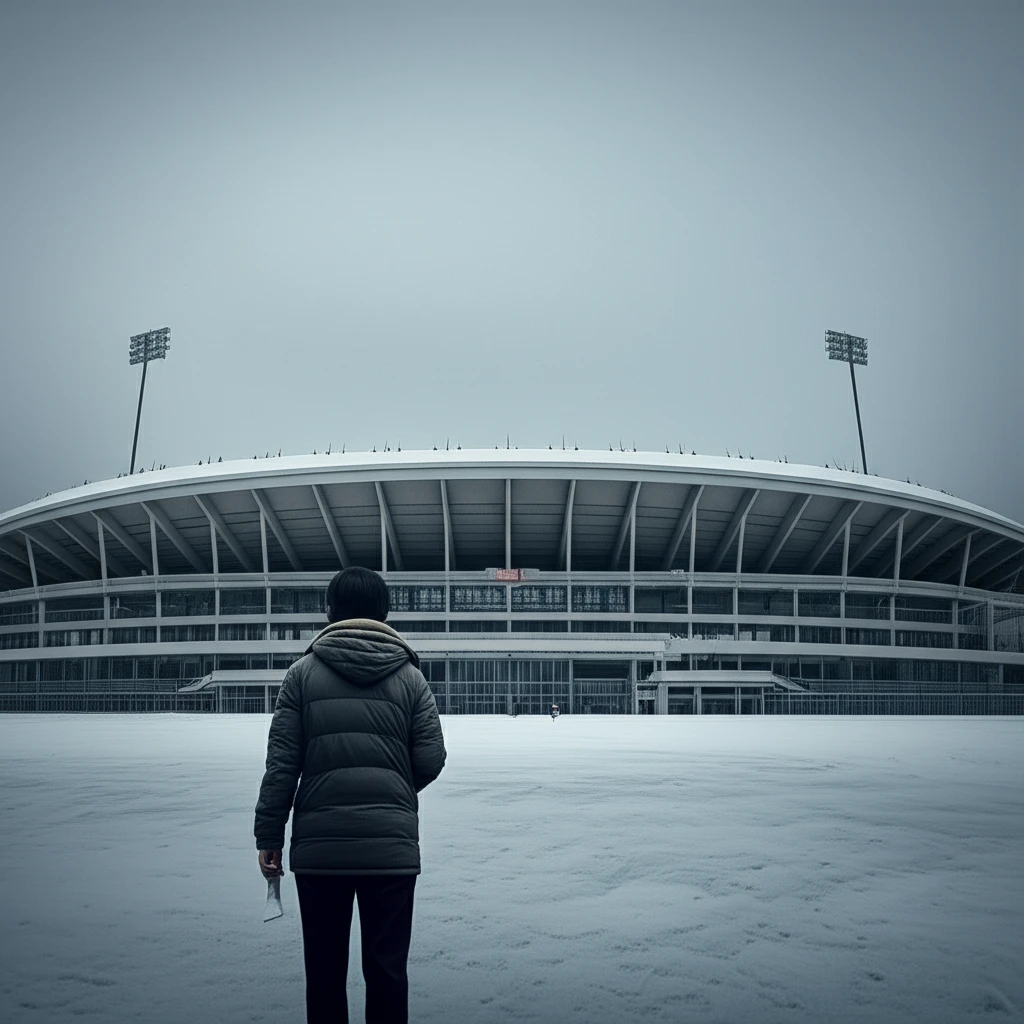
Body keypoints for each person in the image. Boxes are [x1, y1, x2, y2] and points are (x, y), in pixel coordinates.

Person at [254, 566, 447, 1024]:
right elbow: (432, 756)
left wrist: (269, 835)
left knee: (323, 975)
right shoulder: (411, 678)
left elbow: (282, 765)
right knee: (387, 974)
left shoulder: (301, 675)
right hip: (391, 848)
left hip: (321, 849)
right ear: (385, 612)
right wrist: (394, 789)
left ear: (329, 611)